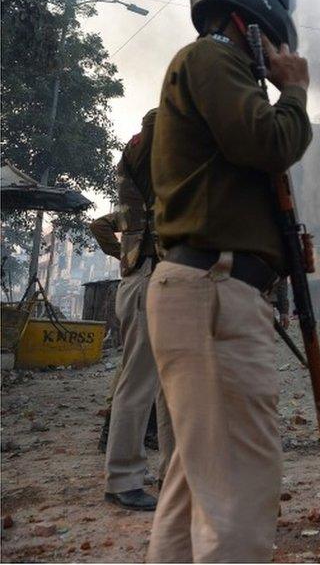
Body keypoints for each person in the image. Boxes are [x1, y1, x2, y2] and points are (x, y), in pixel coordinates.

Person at [146, 0, 311, 562]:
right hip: (215, 294)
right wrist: (293, 90)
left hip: (202, 289)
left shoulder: (205, 67)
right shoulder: (213, 56)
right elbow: (270, 142)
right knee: (239, 490)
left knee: (193, 488)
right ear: (255, 23)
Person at [89, 109, 174, 512]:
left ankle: (175, 473)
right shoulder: (146, 155)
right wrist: (130, 254)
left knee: (169, 385)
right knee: (139, 382)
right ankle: (123, 478)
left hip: (155, 279)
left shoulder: (145, 172)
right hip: (147, 279)